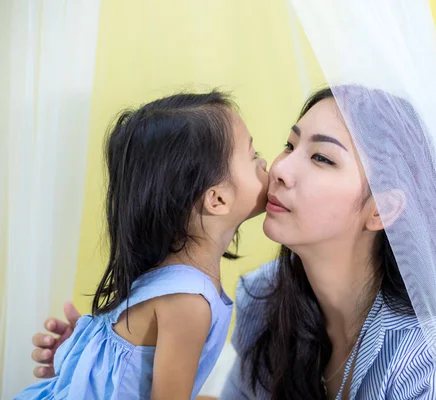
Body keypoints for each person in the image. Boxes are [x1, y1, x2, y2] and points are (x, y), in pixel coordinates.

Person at [31, 87, 436, 399]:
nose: (280, 169)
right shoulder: (262, 299)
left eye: (322, 157)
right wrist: (104, 371)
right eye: (290, 144)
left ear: (381, 210)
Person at [19, 91, 269, 400]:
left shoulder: (168, 276)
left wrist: (82, 361)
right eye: (254, 156)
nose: (266, 163)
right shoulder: (189, 302)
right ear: (217, 199)